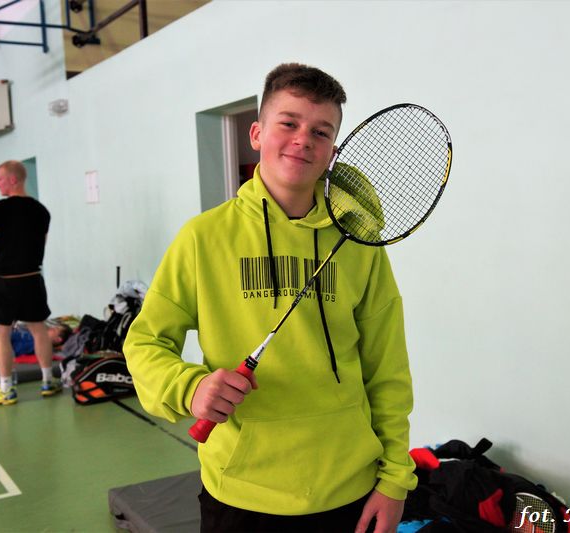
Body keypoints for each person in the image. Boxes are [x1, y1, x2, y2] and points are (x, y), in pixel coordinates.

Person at [124, 63, 417, 533]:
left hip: (351, 486)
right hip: (241, 492)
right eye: (289, 123)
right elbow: (144, 343)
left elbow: (388, 369)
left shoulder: (359, 244)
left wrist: (396, 480)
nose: (304, 140)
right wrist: (190, 388)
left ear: (332, 151)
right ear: (257, 134)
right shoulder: (203, 238)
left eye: (321, 131)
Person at [0, 160, 61, 405]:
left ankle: (6, 389)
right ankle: (48, 381)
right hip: (32, 279)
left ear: (13, 180)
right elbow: (41, 243)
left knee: (0, 334)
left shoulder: (1, 207)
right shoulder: (41, 210)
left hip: (5, 282)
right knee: (39, 330)